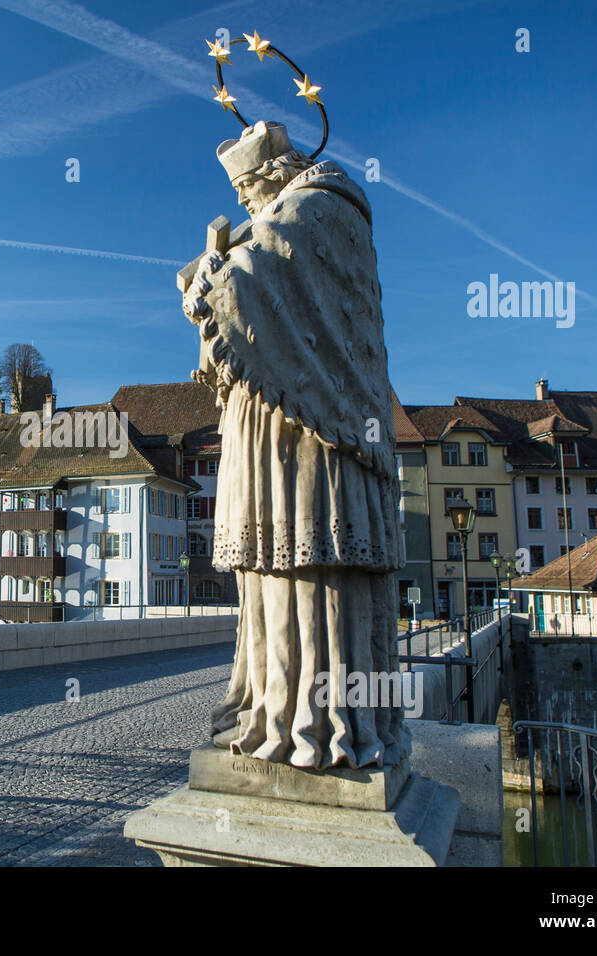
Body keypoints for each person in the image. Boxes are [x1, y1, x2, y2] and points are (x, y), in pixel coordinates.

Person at [182, 120, 409, 770]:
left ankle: (323, 727)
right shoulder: (281, 216)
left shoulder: (322, 207)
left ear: (277, 170)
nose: (251, 202)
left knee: (311, 566)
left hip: (313, 434)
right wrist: (212, 283)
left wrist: (221, 277)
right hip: (263, 424)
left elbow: (275, 282)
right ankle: (269, 709)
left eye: (252, 188)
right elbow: (237, 314)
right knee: (269, 573)